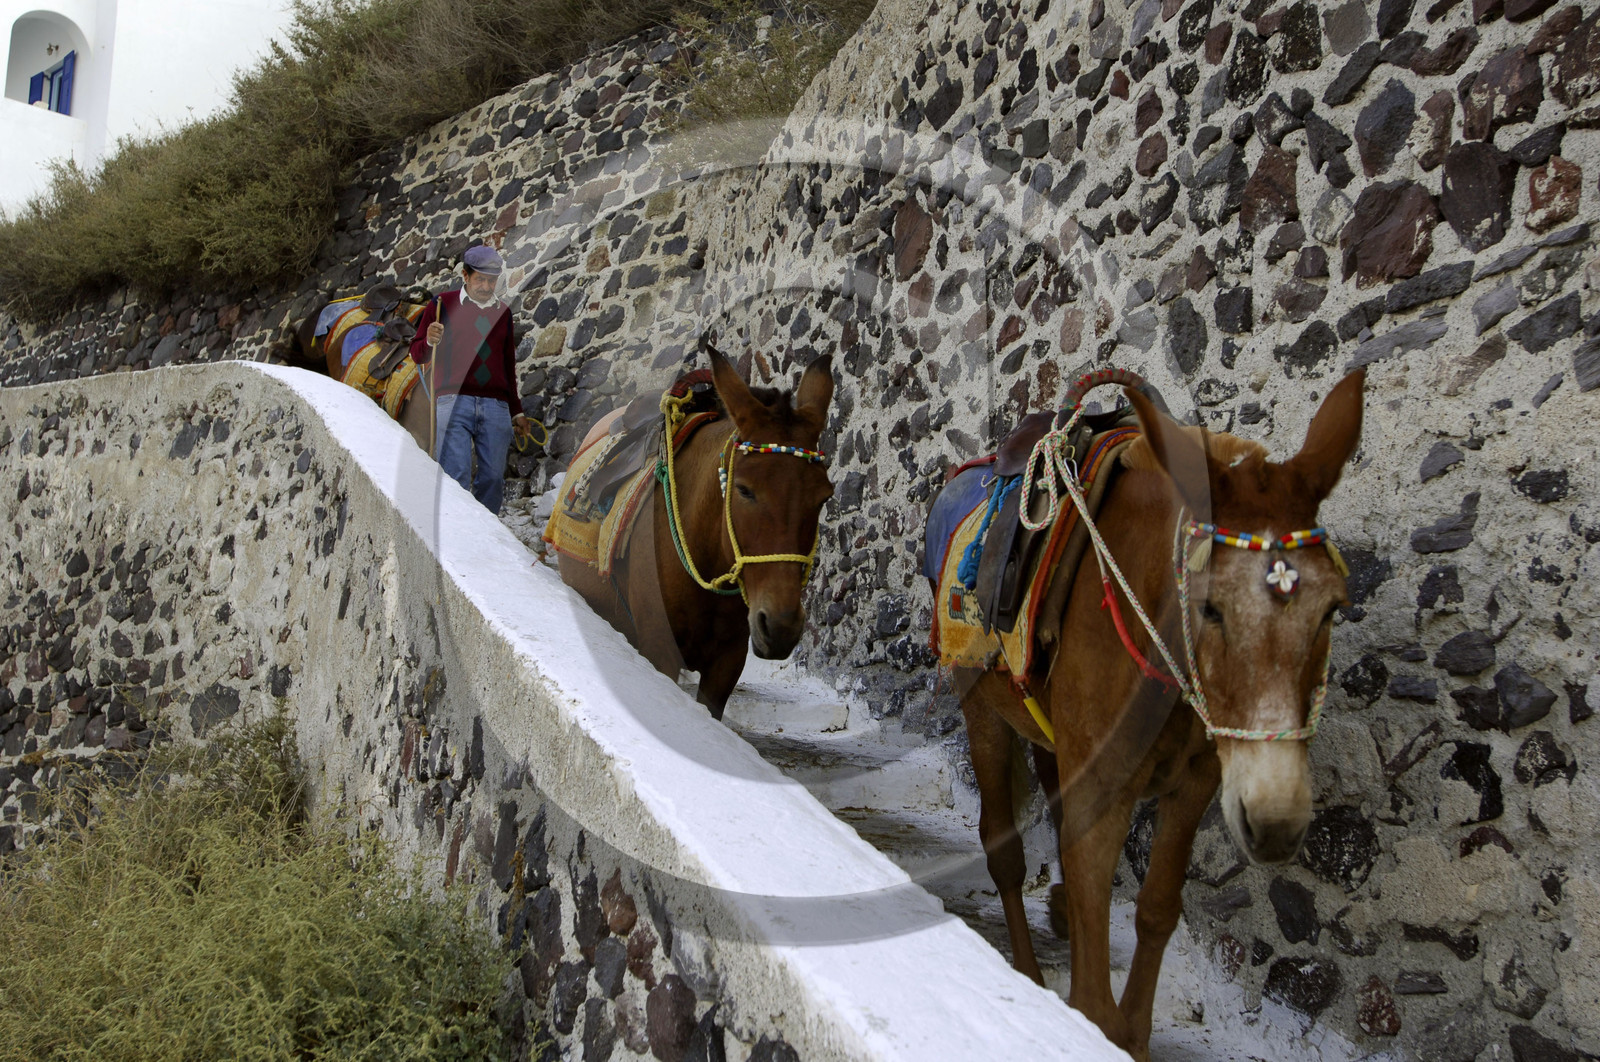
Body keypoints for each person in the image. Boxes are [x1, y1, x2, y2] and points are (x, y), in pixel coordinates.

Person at [409, 245, 532, 513]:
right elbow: (417, 355)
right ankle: (455, 535)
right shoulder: (441, 305)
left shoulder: (504, 314)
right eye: (481, 279)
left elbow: (508, 366)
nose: (487, 287)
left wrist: (516, 411)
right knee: (456, 476)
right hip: (453, 402)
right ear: (465, 275)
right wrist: (429, 340)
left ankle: (484, 540)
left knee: (492, 480)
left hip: (496, 407)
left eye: (492, 280)